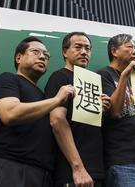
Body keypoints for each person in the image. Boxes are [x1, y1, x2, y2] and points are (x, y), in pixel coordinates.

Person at [0, 36, 75, 187]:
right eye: (35, 52)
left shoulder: (43, 96)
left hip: (44, 173)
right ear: (19, 57)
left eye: (46, 55)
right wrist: (57, 100)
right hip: (10, 167)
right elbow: (10, 113)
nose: (42, 57)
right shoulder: (8, 79)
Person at [45, 32, 111, 186]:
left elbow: (86, 125)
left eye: (87, 48)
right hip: (73, 172)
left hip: (95, 170)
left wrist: (100, 111)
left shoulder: (92, 81)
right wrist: (78, 168)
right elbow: (57, 120)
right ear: (64, 52)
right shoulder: (60, 77)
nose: (84, 52)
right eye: (78, 47)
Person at [98, 34, 135, 187]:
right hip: (122, 159)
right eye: (129, 47)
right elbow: (115, 111)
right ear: (114, 51)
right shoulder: (104, 75)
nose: (134, 51)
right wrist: (124, 76)